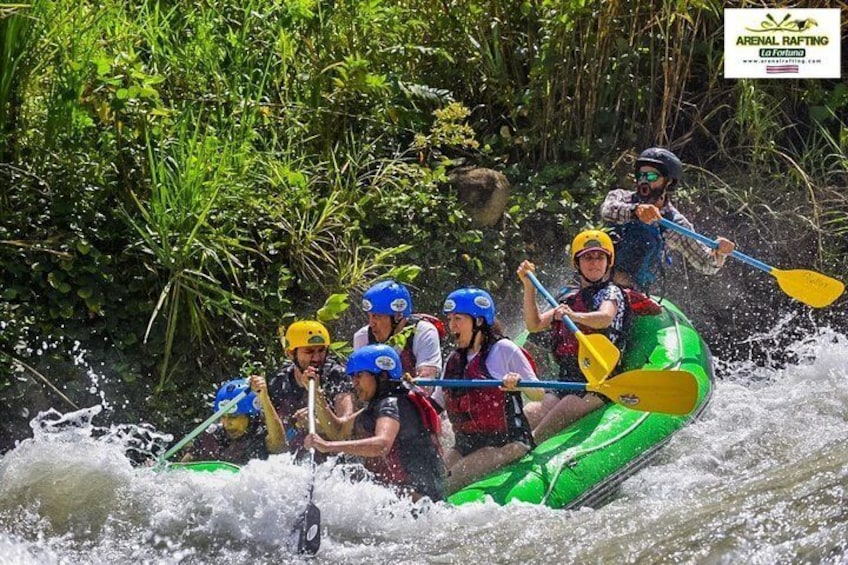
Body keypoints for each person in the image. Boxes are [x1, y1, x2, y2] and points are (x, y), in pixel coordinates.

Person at [518, 229, 628, 444]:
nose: (594, 263)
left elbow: (605, 318)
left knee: (541, 433)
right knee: (528, 415)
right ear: (577, 263)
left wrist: (573, 315)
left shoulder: (612, 292)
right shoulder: (568, 296)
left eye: (600, 257)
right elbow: (535, 324)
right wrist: (528, 287)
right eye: (588, 257)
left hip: (598, 382)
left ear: (608, 262)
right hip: (567, 378)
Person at [303, 344, 445, 502]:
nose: (354, 382)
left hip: (420, 500)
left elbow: (382, 444)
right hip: (408, 496)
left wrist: (328, 446)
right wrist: (315, 392)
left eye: (359, 375)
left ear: (382, 376)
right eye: (353, 377)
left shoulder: (392, 403)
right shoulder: (378, 406)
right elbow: (338, 431)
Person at [439, 287, 544, 494]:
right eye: (450, 319)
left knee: (452, 479)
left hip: (508, 443)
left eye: (458, 319)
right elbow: (435, 403)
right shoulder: (453, 360)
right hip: (466, 444)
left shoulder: (504, 349)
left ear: (478, 321)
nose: (452, 326)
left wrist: (518, 381)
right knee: (434, 476)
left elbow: (538, 393)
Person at [600, 147, 736, 293]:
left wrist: (720, 253)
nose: (644, 181)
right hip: (596, 275)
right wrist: (635, 211)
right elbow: (607, 210)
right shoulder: (620, 197)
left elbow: (706, 264)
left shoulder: (675, 223)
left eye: (652, 177)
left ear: (668, 182)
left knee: (647, 237)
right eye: (641, 175)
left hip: (632, 289)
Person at [267, 320, 354, 458]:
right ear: (290, 353)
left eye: (321, 350)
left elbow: (343, 434)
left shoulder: (336, 375)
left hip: (333, 463)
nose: (317, 358)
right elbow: (274, 446)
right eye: (309, 352)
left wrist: (317, 399)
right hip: (292, 462)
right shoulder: (278, 382)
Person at [182, 376, 286, 465]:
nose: (226, 424)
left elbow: (279, 445)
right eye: (223, 416)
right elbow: (183, 466)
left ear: (250, 416)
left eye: (233, 416)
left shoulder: (260, 435)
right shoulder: (215, 434)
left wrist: (264, 398)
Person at [353, 280, 442, 381]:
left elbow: (427, 382)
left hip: (413, 395)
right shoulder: (363, 337)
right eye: (369, 316)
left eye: (377, 316)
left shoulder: (424, 332)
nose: (371, 323)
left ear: (398, 316)